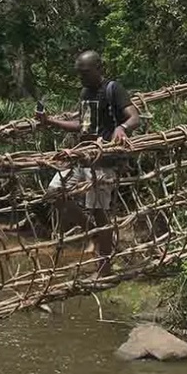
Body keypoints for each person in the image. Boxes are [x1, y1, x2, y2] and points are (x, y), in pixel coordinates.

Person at [35, 50, 141, 274]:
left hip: (104, 160)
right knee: (54, 193)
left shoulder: (113, 89)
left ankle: (104, 267)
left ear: (98, 69)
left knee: (99, 211)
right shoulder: (85, 93)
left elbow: (134, 117)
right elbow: (83, 126)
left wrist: (121, 128)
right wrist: (51, 121)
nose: (81, 77)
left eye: (85, 72)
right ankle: (95, 233)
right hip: (82, 157)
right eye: (79, 73)